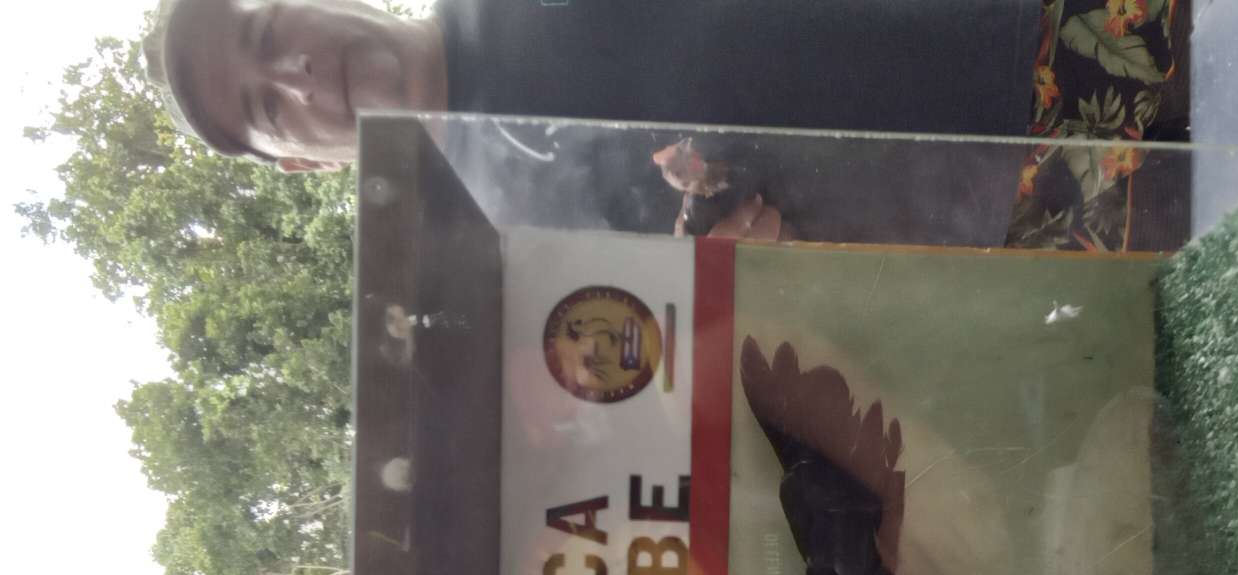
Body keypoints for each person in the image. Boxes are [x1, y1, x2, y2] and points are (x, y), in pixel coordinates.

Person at [144, 0, 1181, 249]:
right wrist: (744, 284)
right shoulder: (497, 260)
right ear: (298, 164)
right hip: (1033, 231)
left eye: (268, 31)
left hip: (1058, 26)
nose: (296, 72)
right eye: (265, 106)